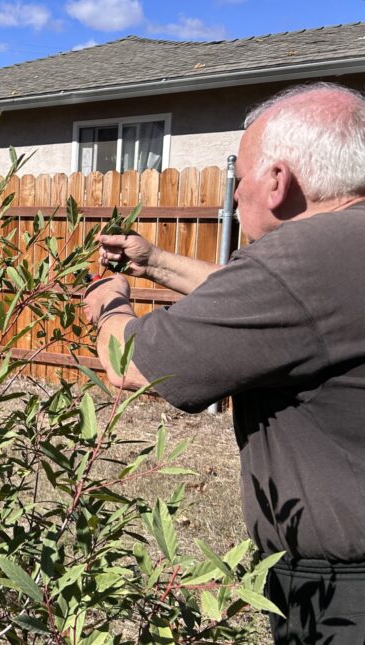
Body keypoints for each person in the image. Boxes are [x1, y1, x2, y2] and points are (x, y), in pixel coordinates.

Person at [82, 82, 365, 644]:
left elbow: (134, 364)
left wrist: (107, 304)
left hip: (343, 597)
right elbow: (285, 316)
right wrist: (154, 262)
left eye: (239, 181)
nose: (235, 196)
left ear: (278, 182)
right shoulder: (341, 253)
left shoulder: (301, 256)